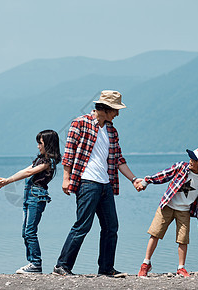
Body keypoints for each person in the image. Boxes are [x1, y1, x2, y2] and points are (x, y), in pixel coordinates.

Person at [52, 90, 141, 277]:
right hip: (86, 182)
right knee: (82, 225)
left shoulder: (111, 130)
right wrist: (66, 178)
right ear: (106, 109)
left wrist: (133, 180)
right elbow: (68, 152)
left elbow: (118, 160)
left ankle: (106, 268)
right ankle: (62, 266)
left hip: (105, 184)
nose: (117, 114)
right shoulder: (80, 123)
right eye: (116, 110)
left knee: (111, 227)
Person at [135, 147, 198, 278]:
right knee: (155, 233)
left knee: (183, 240)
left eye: (194, 159)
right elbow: (164, 175)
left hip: (184, 210)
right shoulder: (182, 167)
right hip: (167, 206)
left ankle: (181, 268)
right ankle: (145, 264)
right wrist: (146, 181)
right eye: (191, 157)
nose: (191, 160)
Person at [0, 130, 61, 274]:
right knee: (25, 232)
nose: (38, 146)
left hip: (36, 197)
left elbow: (28, 173)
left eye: (40, 143)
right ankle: (32, 262)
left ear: (48, 144)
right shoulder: (40, 159)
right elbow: (25, 170)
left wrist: (7, 181)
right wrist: (5, 180)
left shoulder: (48, 162)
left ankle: (36, 263)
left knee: (30, 231)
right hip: (29, 195)